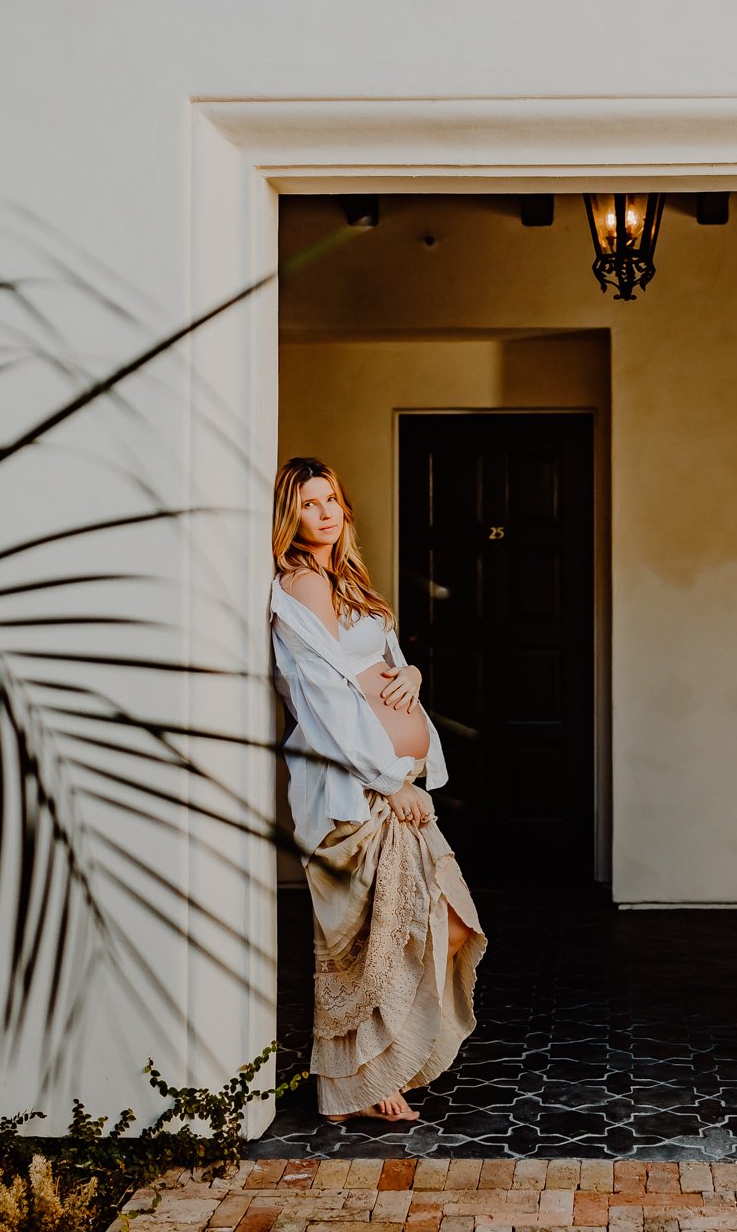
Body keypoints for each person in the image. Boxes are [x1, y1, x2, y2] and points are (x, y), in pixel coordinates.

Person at [268, 454, 487, 1124]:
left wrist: (412, 671)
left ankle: (376, 1064)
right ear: (289, 514)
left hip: (395, 786)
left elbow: (380, 664)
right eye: (309, 503)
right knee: (366, 941)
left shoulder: (347, 579)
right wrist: (389, 780)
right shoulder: (300, 584)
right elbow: (322, 700)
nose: (326, 512)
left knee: (444, 926)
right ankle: (355, 1084)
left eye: (331, 498)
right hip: (357, 792)